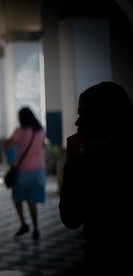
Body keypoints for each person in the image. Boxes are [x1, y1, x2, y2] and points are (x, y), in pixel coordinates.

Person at [59, 81, 133, 274]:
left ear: (103, 117)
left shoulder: (94, 163)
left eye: (83, 116)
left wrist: (72, 163)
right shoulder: (92, 158)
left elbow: (71, 218)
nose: (76, 123)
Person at [5, 107, 46, 240]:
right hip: (39, 169)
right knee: (32, 200)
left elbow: (7, 145)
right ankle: (36, 228)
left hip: (22, 169)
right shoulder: (40, 131)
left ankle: (23, 224)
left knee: (17, 198)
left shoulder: (19, 131)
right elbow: (43, 146)